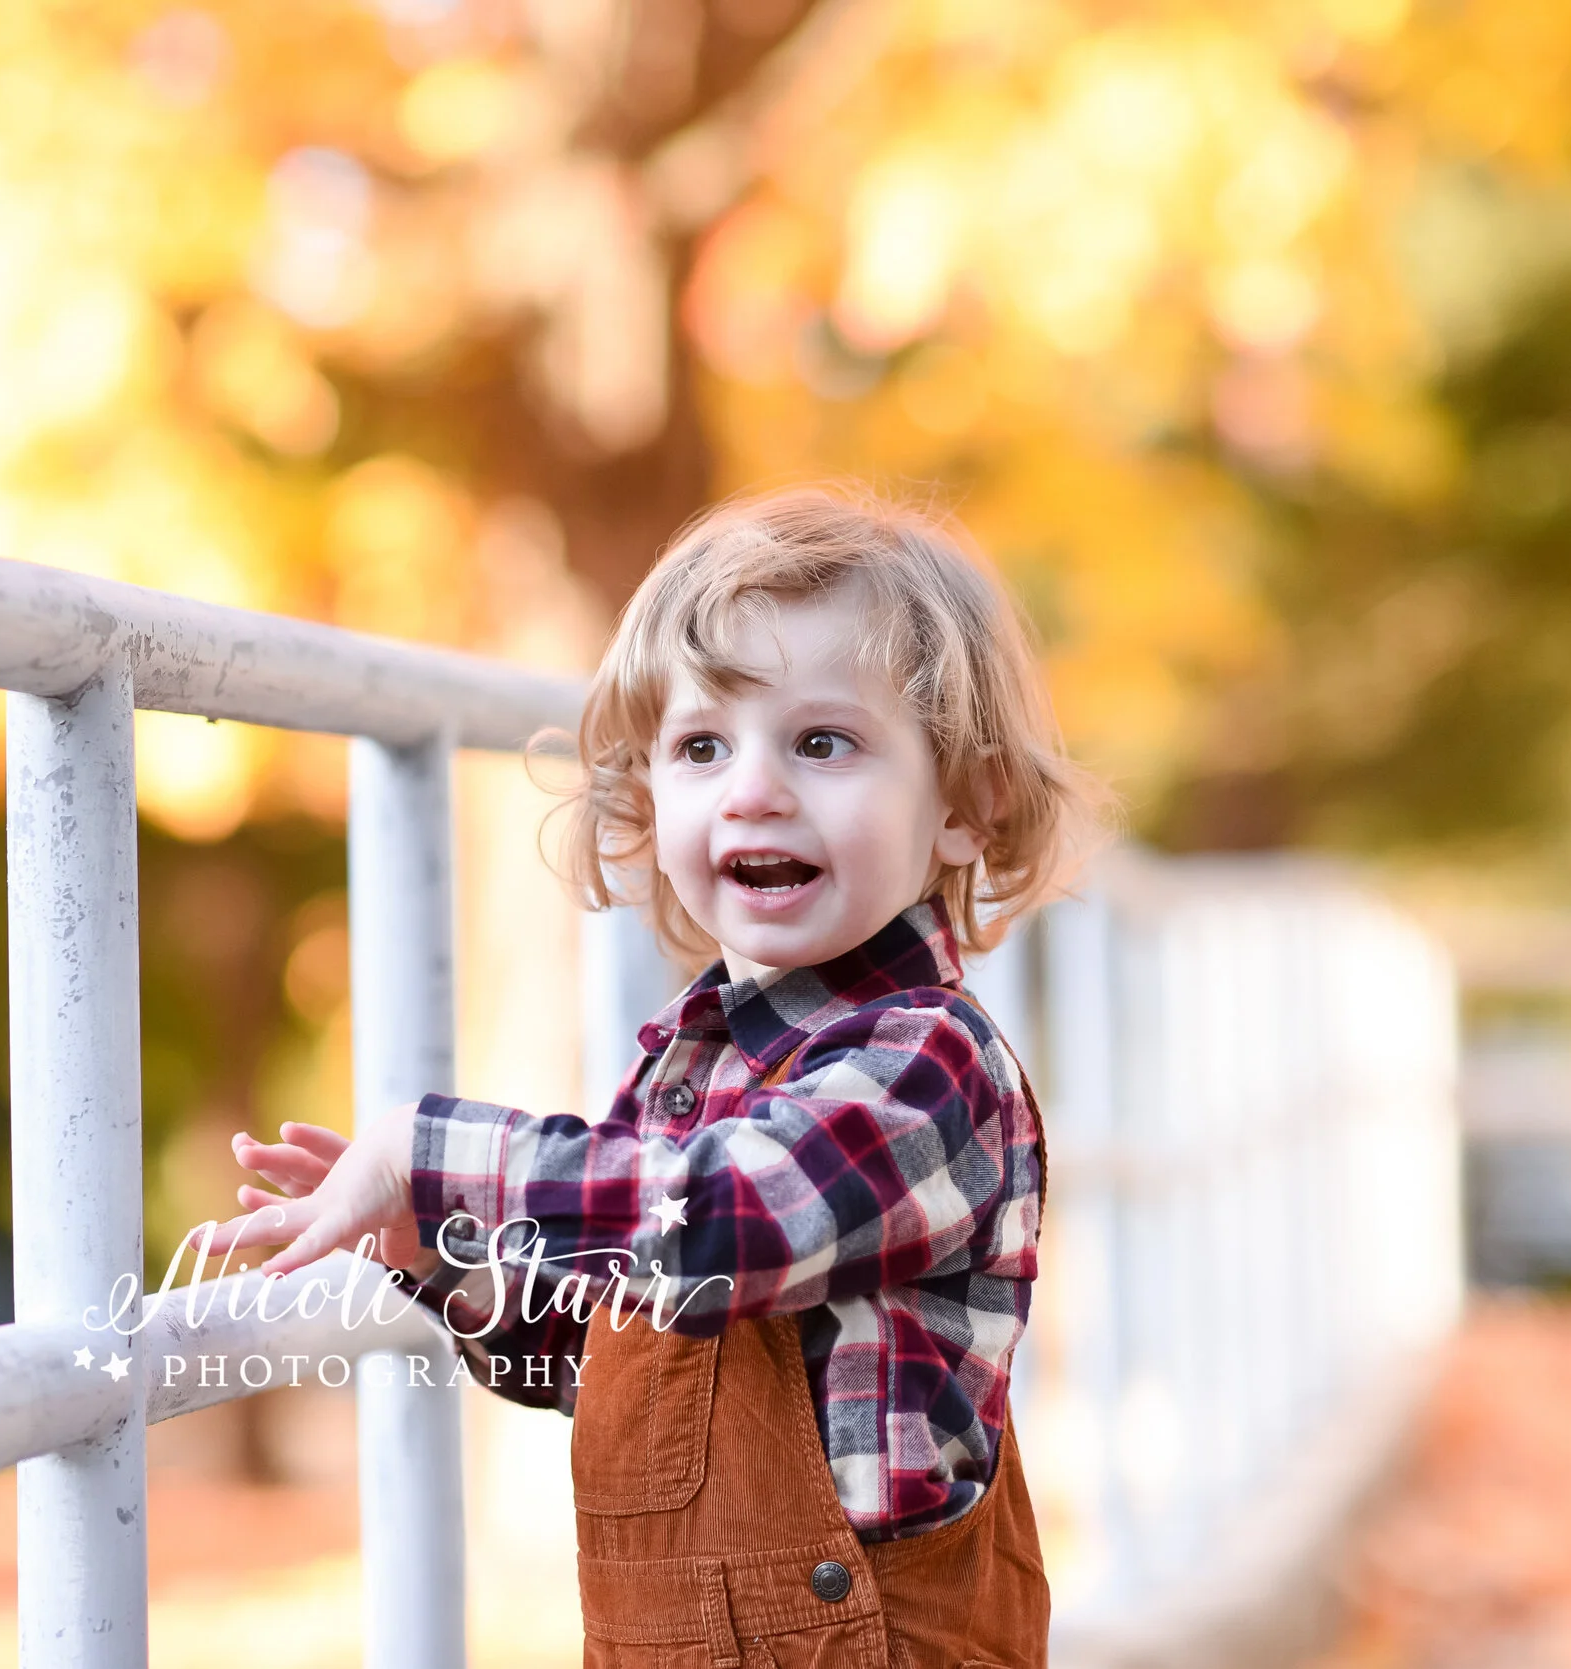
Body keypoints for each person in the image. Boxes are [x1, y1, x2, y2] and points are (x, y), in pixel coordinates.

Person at [196, 486, 1101, 1667]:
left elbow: (730, 1222)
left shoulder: (926, 1063)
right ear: (648, 794)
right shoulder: (688, 1074)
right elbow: (624, 1367)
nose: (754, 788)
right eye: (701, 747)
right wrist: (441, 1256)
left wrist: (436, 1151)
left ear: (966, 807)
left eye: (822, 741)